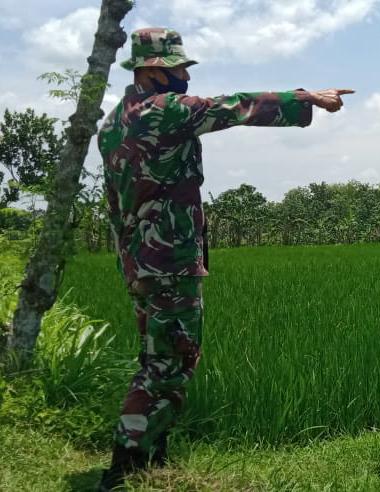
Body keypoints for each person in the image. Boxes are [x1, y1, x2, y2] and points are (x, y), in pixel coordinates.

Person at [97, 27, 352, 490]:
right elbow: (232, 106)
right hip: (170, 259)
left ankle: (150, 457)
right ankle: (126, 464)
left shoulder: (113, 123)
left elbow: (114, 203)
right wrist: (307, 98)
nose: (184, 77)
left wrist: (129, 261)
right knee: (170, 362)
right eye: (177, 68)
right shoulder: (164, 112)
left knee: (156, 357)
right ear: (153, 71)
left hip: (139, 261)